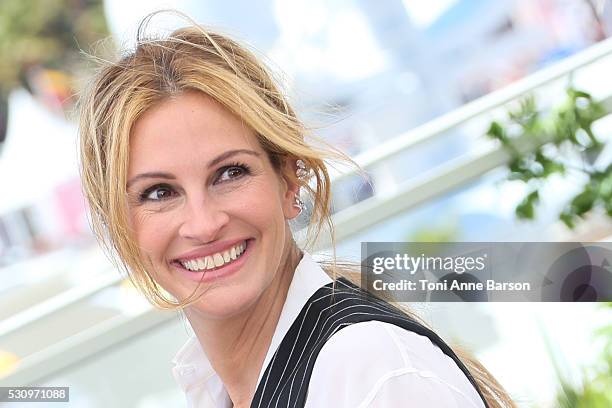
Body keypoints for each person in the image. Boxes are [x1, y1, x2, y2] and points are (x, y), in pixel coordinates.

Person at [78, 12, 516, 408]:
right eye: (158, 193)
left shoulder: (369, 373)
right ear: (120, 223)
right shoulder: (221, 385)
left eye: (230, 173)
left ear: (290, 180)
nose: (204, 223)